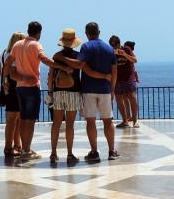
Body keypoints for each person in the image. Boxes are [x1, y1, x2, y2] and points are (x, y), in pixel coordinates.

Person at [58, 22, 118, 162]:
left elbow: (80, 65)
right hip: (105, 89)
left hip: (88, 89)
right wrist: (113, 89)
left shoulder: (86, 47)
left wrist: (63, 59)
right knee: (108, 121)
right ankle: (111, 151)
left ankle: (94, 151)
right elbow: (114, 72)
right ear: (99, 32)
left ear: (86, 33)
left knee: (90, 121)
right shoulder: (109, 49)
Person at [6, 21, 61, 160]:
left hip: (19, 88)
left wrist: (5, 80)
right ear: (39, 33)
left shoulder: (17, 45)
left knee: (23, 119)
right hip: (32, 88)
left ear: (28, 30)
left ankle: (25, 149)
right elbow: (43, 59)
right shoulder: (36, 45)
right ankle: (26, 151)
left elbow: (8, 63)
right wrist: (60, 66)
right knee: (30, 121)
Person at [48, 28, 83, 164]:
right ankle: (69, 154)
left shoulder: (56, 56)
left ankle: (53, 153)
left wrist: (50, 92)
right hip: (73, 92)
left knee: (56, 124)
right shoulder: (78, 56)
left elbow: (51, 76)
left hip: (57, 92)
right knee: (70, 125)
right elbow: (80, 68)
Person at [0, 32, 25, 157]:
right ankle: (9, 147)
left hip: (8, 88)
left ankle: (17, 145)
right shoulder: (13, 55)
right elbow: (12, 72)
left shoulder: (3, 54)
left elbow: (1, 71)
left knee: (16, 119)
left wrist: (4, 83)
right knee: (13, 119)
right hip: (14, 88)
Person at [111, 36, 139, 128]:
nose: (114, 47)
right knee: (119, 99)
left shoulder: (126, 49)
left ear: (119, 43)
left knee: (132, 98)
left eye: (115, 44)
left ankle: (135, 121)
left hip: (129, 77)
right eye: (112, 45)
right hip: (118, 78)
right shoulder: (111, 52)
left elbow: (135, 60)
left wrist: (124, 54)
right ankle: (125, 120)